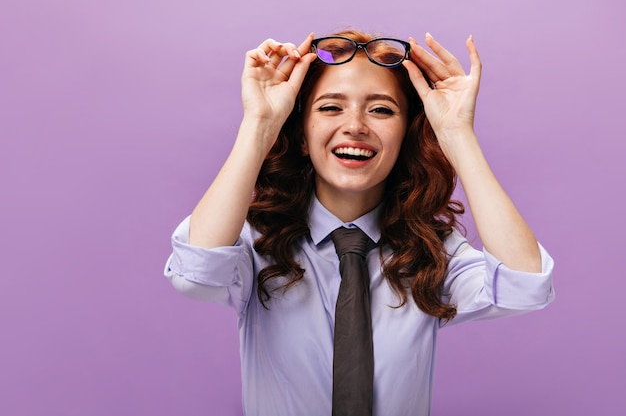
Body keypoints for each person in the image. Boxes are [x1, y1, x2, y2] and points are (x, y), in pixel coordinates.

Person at [164, 29, 555, 416]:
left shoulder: (432, 253)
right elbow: (196, 273)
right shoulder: (257, 242)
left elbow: (525, 285)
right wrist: (260, 124)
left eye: (381, 109)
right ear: (301, 132)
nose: (355, 125)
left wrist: (456, 133)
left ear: (406, 134)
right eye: (331, 107)